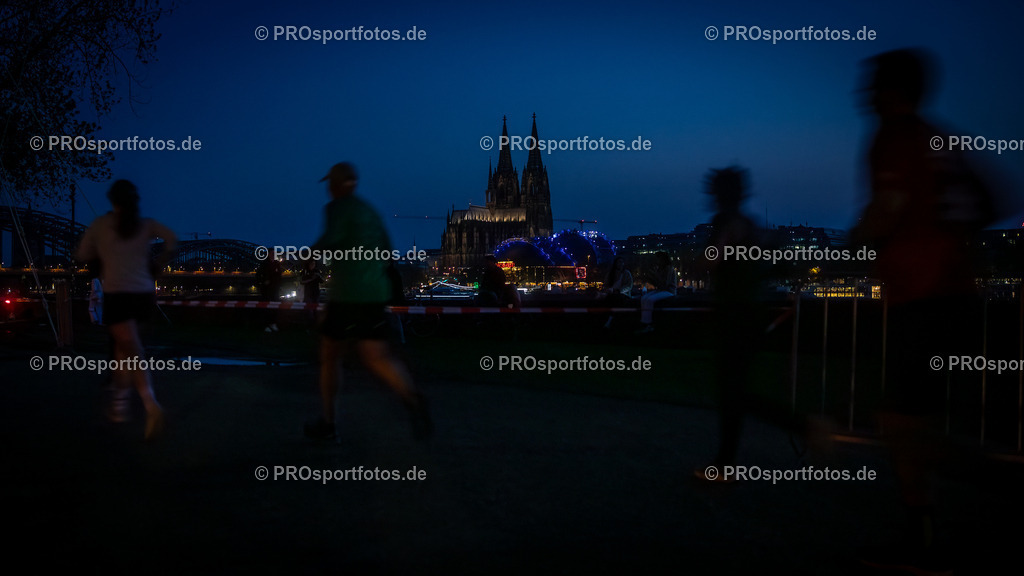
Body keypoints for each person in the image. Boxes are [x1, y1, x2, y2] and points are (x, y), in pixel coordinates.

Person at [851, 48, 994, 575]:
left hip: (924, 296)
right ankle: (924, 536)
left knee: (903, 424)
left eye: (872, 83)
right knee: (915, 423)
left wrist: (861, 243)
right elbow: (989, 199)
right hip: (952, 293)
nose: (862, 92)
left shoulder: (894, 138)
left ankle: (925, 539)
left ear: (891, 91)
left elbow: (883, 213)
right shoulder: (942, 139)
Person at [304, 162, 432, 441]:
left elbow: (330, 240)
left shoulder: (337, 207)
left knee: (329, 353)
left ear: (335, 185)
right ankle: (412, 397)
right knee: (376, 355)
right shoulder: (370, 211)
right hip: (375, 293)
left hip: (347, 293)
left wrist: (309, 254)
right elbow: (388, 252)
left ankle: (329, 423)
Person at [76, 180, 177, 440]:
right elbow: (171, 239)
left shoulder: (101, 225)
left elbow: (82, 255)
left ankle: (151, 405)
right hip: (144, 297)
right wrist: (160, 264)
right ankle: (118, 407)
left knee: (131, 351)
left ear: (113, 201)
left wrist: (103, 255)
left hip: (118, 295)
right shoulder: (146, 225)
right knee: (125, 351)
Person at [635, 251, 676, 334]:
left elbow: (666, 284)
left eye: (658, 259)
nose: (657, 261)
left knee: (649, 300)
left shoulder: (669, 268)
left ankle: (647, 323)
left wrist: (655, 275)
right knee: (644, 298)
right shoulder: (659, 269)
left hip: (669, 291)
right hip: (662, 289)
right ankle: (644, 322)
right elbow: (659, 283)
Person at [602, 256, 633, 328]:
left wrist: (618, 291)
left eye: (621, 262)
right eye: (619, 262)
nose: (620, 264)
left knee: (613, 299)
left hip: (622, 294)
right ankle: (611, 319)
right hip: (613, 294)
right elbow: (605, 285)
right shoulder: (610, 274)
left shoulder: (626, 273)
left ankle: (609, 319)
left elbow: (629, 286)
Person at [256, 256, 282, 332]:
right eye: (272, 253)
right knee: (267, 307)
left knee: (275, 307)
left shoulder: (277, 264)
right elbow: (258, 275)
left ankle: (273, 324)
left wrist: (278, 285)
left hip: (275, 289)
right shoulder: (264, 264)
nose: (273, 255)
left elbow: (279, 275)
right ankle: (266, 325)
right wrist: (263, 283)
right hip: (266, 290)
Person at [299, 258, 323, 325]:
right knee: (309, 310)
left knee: (316, 309)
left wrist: (318, 276)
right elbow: (302, 281)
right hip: (308, 293)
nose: (313, 265)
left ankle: (315, 323)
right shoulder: (305, 272)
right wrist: (312, 279)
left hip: (316, 293)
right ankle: (310, 323)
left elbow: (322, 281)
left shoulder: (316, 271)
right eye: (312, 264)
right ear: (308, 264)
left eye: (314, 264)